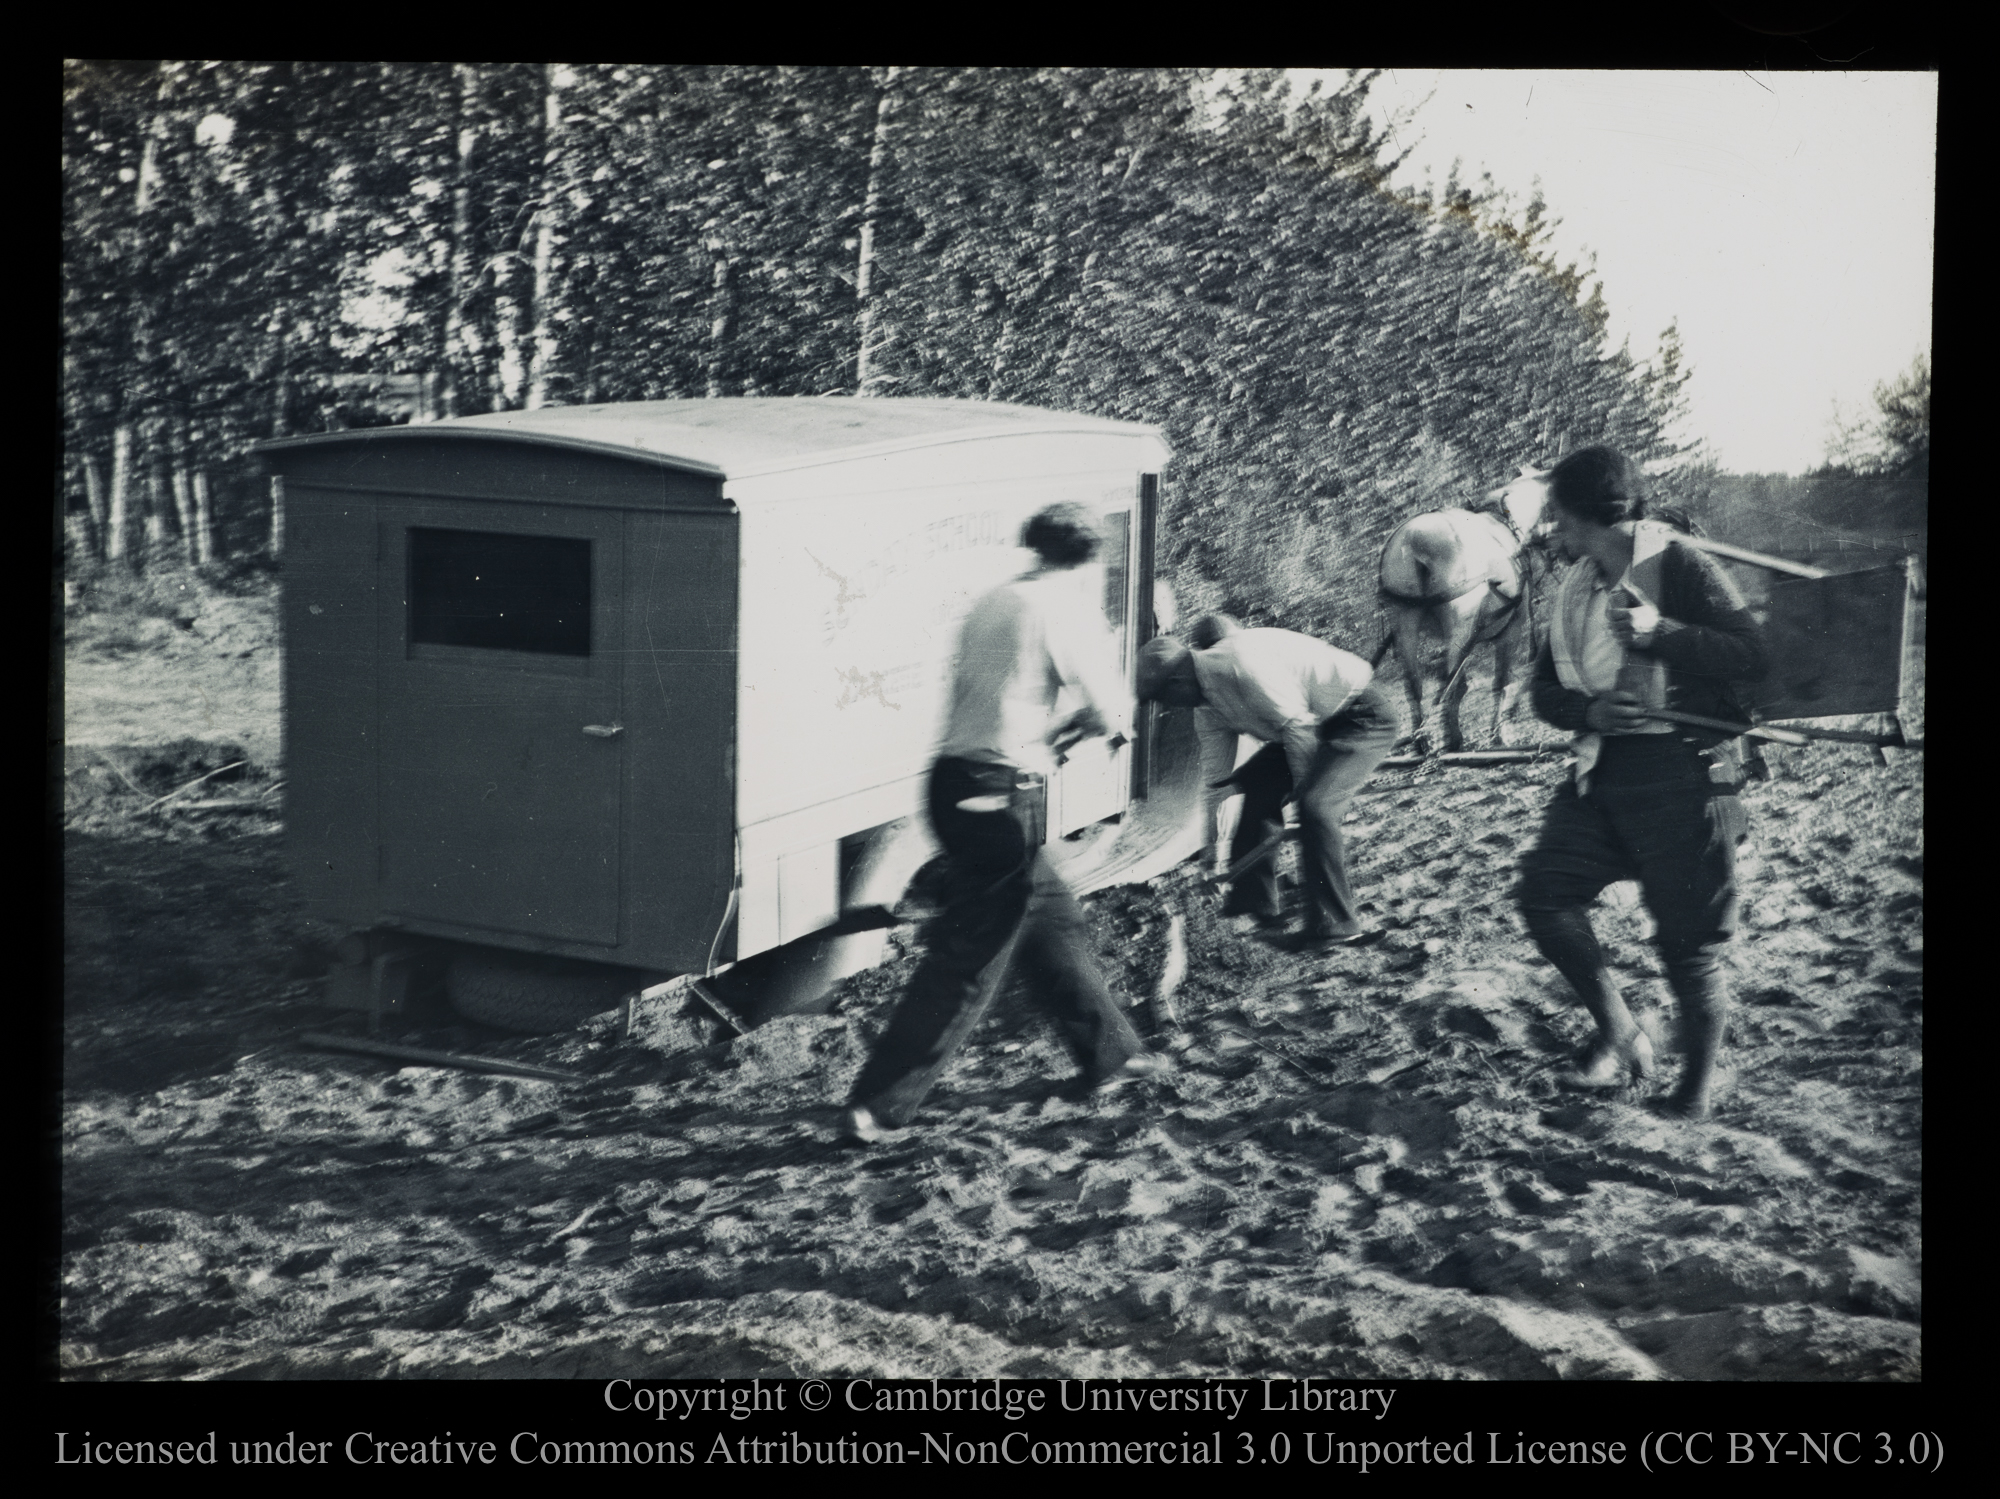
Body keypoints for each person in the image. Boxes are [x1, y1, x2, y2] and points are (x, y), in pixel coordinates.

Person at [840, 504, 1166, 1144]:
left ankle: (1113, 1056)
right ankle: (878, 1106)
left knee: (1052, 921)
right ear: (1092, 558)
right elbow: (1107, 709)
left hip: (954, 783)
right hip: (1000, 796)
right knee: (971, 958)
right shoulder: (1064, 608)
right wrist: (1101, 728)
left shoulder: (994, 600)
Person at [1514, 446, 1768, 1120]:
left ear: (1583, 515)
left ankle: (1692, 1094)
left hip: (1685, 773)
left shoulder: (1678, 563)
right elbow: (1542, 690)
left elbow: (1753, 654)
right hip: (1600, 773)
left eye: (1558, 519)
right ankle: (1622, 1028)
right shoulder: (1575, 585)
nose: (1554, 535)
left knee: (1688, 943)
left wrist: (1666, 634)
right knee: (1544, 896)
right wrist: (1586, 710)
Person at [1137, 619, 1401, 948]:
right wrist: (1211, 859)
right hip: (1310, 725)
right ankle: (1261, 910)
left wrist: (1304, 809)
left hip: (1360, 717)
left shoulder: (1241, 664)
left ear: (1177, 680)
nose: (1169, 707)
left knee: (1316, 806)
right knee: (1251, 784)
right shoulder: (1206, 709)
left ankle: (1338, 923)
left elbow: (1301, 734)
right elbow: (1217, 785)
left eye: (1165, 699)